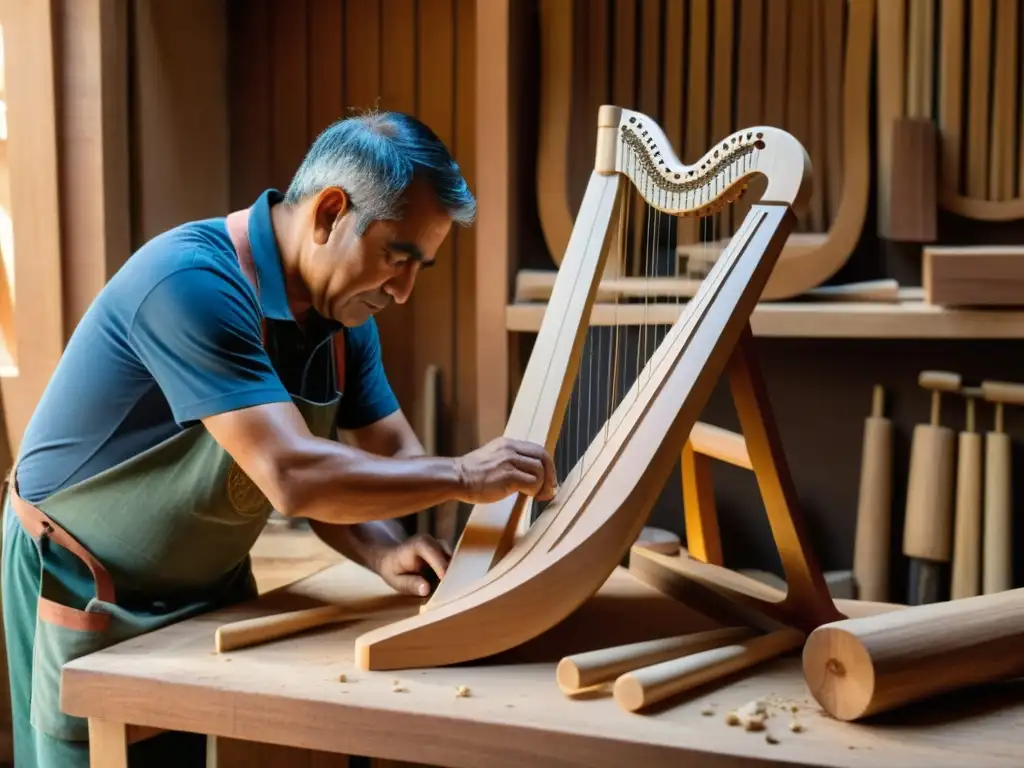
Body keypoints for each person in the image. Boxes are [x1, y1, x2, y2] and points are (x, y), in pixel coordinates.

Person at [0, 110, 556, 767]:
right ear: (328, 213)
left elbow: (395, 459)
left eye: (419, 269)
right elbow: (292, 477)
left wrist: (385, 553)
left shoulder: (345, 320)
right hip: (85, 579)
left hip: (209, 583)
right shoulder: (193, 283)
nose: (403, 292)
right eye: (395, 258)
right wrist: (466, 476)